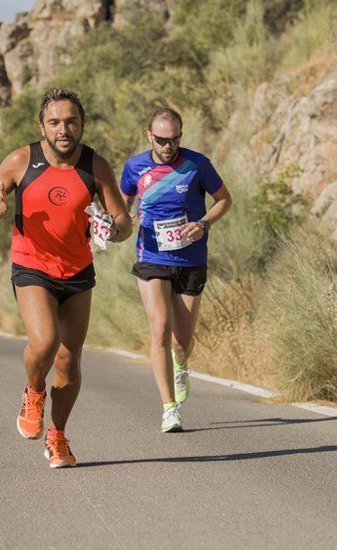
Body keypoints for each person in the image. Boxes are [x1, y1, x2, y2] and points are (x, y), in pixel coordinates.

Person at [0, 88, 132, 468]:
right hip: (32, 266)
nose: (64, 129)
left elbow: (123, 218)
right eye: (55, 122)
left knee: (69, 361)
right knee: (45, 343)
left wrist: (113, 228)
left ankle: (58, 436)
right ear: (42, 125)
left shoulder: (96, 166)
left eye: (71, 122)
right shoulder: (21, 160)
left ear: (82, 125)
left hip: (78, 270)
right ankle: (33, 393)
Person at [119, 108, 232, 433]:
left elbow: (224, 199)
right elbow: (123, 207)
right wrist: (113, 226)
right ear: (149, 135)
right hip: (151, 255)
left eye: (175, 140)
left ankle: (181, 365)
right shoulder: (134, 166)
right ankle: (169, 408)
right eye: (162, 140)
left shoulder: (197, 164)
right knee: (159, 329)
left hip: (191, 258)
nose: (168, 146)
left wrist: (203, 223)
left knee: (181, 340)